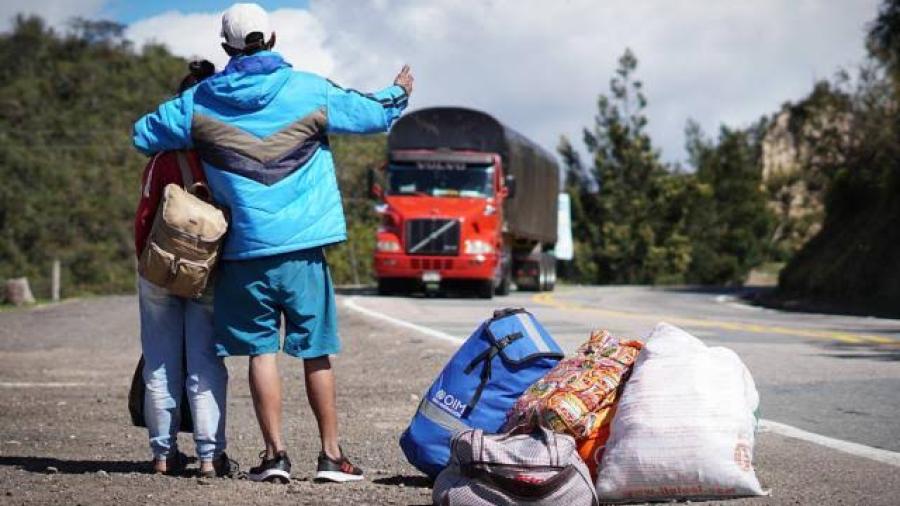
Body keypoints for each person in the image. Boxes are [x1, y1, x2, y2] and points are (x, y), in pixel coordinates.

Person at [132, 3, 413, 483]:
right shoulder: (309, 90)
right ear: (274, 38)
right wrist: (398, 92)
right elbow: (371, 113)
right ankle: (330, 457)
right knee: (315, 352)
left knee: (261, 353)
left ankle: (274, 456)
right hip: (304, 250)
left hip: (243, 252)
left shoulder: (201, 101)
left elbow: (144, 134)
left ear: (226, 48)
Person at [133, 60, 237, 479]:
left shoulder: (161, 157)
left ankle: (162, 454)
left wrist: (149, 262)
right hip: (207, 271)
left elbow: (144, 216)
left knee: (160, 361)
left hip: (158, 268)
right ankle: (211, 456)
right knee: (206, 364)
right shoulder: (224, 155)